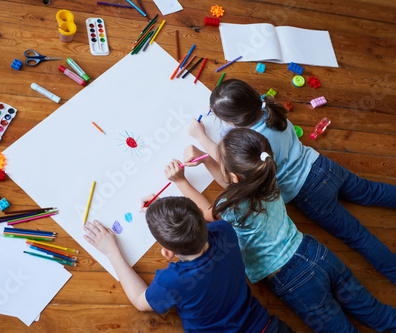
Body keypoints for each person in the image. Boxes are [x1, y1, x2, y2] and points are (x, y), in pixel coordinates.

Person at [167, 127, 396, 332]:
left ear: (234, 176)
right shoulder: (267, 175)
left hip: (294, 279)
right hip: (316, 253)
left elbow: (207, 210)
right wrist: (207, 160)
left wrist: (180, 181)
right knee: (378, 314)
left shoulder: (234, 207)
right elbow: (234, 185)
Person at [188, 78, 396, 283]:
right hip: (323, 166)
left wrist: (200, 136)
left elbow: (225, 159)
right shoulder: (268, 109)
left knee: (358, 236)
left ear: (233, 122)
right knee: (372, 191)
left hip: (309, 193)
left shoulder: (251, 142)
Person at [83, 196, 294, 332]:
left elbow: (140, 301)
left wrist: (111, 251)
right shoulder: (224, 230)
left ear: (168, 252)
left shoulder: (174, 281)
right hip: (267, 327)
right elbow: (201, 225)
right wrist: (161, 217)